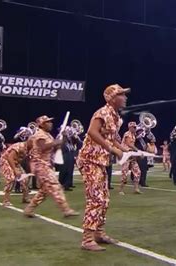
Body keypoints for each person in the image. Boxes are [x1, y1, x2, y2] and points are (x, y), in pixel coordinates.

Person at [77, 84, 130, 251]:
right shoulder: (102, 112)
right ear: (112, 98)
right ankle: (87, 239)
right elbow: (92, 132)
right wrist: (113, 149)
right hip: (90, 160)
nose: (125, 98)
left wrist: (123, 148)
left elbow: (110, 137)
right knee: (96, 199)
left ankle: (99, 233)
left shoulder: (115, 116)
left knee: (105, 199)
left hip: (101, 161)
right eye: (122, 95)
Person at [23, 116, 79, 218]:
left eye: (50, 122)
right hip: (40, 165)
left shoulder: (47, 135)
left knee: (43, 192)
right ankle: (66, 209)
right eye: (47, 122)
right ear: (42, 124)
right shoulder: (39, 134)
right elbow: (43, 147)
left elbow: (55, 148)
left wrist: (64, 137)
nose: (50, 124)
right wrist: (56, 142)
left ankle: (29, 209)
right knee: (55, 186)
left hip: (46, 165)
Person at [0, 128, 33, 206]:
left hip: (16, 162)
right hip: (6, 161)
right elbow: (10, 157)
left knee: (25, 179)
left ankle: (25, 198)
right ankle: (5, 200)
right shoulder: (20, 146)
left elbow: (29, 159)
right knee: (11, 178)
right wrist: (15, 170)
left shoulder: (30, 149)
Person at [119, 122, 142, 195]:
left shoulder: (133, 135)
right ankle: (121, 190)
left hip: (131, 155)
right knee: (124, 173)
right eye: (134, 127)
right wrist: (138, 151)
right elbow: (129, 144)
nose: (135, 128)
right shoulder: (127, 134)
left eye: (135, 127)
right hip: (126, 155)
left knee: (137, 171)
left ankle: (136, 188)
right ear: (130, 127)